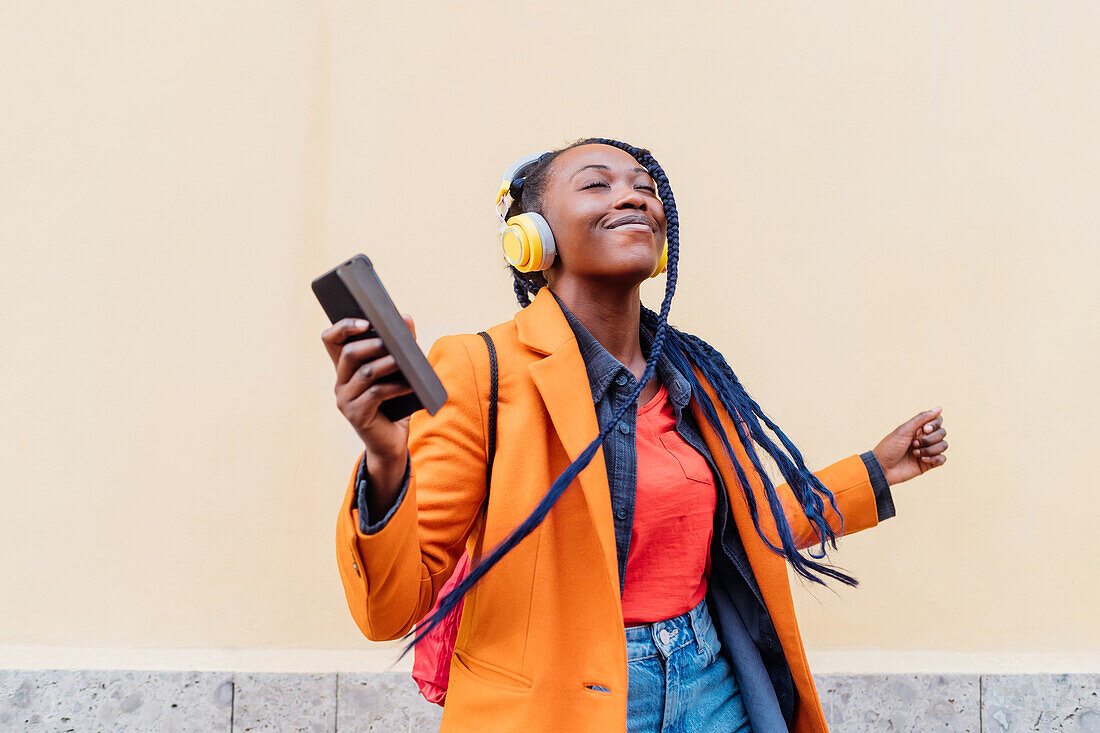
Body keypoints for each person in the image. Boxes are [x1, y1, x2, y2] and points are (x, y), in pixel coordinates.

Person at [322, 138, 949, 732]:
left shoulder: (692, 373)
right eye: (597, 184)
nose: (632, 197)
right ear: (533, 239)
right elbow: (393, 607)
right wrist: (385, 457)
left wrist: (875, 470)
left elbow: (741, 528)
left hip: (711, 682)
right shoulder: (481, 367)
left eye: (645, 187)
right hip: (562, 703)